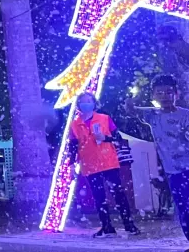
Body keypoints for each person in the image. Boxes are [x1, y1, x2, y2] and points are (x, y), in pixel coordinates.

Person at [69, 91, 138, 237]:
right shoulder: (75, 125)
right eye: (83, 101)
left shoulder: (104, 118)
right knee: (99, 196)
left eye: (89, 101)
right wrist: (71, 164)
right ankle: (107, 227)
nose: (86, 104)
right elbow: (73, 146)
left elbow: (117, 137)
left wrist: (105, 138)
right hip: (89, 164)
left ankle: (129, 225)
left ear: (94, 103)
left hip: (108, 162)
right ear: (78, 105)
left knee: (118, 193)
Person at [129, 75, 189, 242]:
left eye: (169, 92)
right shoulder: (152, 114)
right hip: (172, 172)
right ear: (153, 96)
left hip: (187, 168)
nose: (165, 96)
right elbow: (131, 109)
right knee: (183, 209)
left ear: (176, 94)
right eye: (159, 93)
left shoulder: (185, 116)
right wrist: (133, 97)